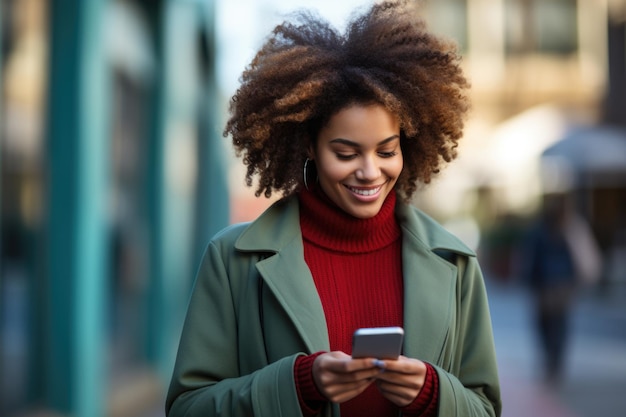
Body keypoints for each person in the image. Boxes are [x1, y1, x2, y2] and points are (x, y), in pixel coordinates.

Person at [165, 1, 501, 416]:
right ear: (310, 145)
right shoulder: (233, 259)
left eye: (386, 150)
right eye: (345, 153)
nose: (369, 171)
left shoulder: (455, 262)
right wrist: (298, 385)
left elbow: (485, 407)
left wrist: (433, 393)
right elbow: (187, 407)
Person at [520, 192, 601, 385]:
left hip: (549, 287)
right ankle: (554, 363)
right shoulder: (565, 227)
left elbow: (529, 258)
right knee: (556, 327)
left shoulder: (555, 228)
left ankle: (552, 363)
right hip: (557, 286)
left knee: (550, 326)